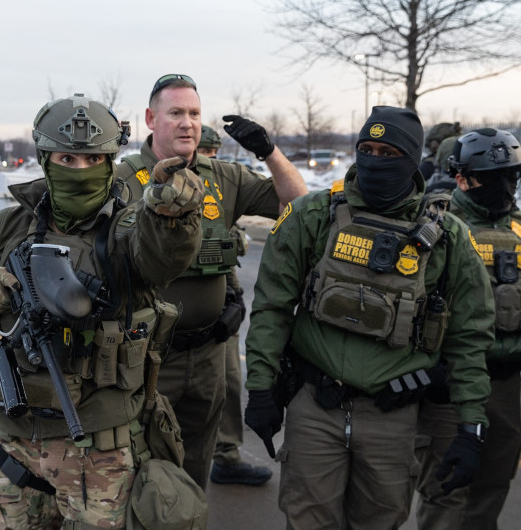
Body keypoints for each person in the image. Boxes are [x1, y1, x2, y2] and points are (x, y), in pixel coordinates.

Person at [0, 93, 204, 529]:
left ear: (111, 161)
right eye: (66, 158)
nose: (80, 170)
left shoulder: (130, 226)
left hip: (101, 453)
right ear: (44, 158)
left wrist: (172, 215)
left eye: (92, 159)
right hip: (13, 449)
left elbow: (164, 257)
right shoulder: (8, 226)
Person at [244, 106, 494, 529]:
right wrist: (261, 389)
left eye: (389, 152)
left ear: (413, 159)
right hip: (315, 404)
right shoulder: (312, 216)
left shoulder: (448, 237)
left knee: (379, 520)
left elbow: (470, 338)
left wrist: (471, 425)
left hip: (393, 416)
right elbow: (272, 307)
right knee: (307, 519)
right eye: (367, 149)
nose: (376, 160)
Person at [115, 74, 307, 489]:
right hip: (144, 357)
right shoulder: (124, 180)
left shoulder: (222, 177)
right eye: (176, 113)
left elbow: (296, 205)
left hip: (206, 359)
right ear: (151, 118)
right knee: (135, 476)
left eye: (195, 114)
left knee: (194, 475)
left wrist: (268, 151)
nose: (188, 123)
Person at [414, 127, 521, 530]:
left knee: (491, 490)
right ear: (461, 178)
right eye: (494, 178)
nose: (506, 186)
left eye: (512, 176)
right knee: (445, 496)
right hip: (450, 386)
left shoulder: (518, 228)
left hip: (508, 385)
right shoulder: (437, 226)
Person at [195, 123, 274, 486]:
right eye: (204, 152)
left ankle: (226, 453)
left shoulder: (221, 183)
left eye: (212, 153)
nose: (208, 160)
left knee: (228, 380)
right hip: (181, 307)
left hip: (223, 293)